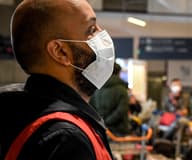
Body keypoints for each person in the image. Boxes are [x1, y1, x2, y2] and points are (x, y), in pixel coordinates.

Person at [0, 0, 114, 159]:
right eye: (92, 29)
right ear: (60, 52)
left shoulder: (17, 112)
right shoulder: (67, 140)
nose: (103, 35)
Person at [89, 63, 130, 136]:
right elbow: (122, 110)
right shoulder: (122, 90)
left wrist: (102, 122)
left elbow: (91, 107)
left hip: (100, 130)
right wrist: (108, 121)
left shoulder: (97, 89)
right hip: (119, 131)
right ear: (118, 73)